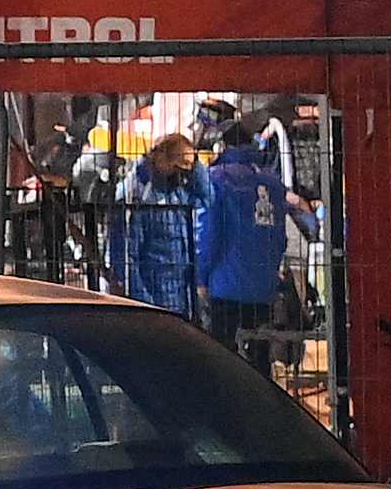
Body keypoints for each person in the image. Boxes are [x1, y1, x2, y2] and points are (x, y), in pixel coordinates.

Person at [193, 101, 299, 358]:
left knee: (222, 360)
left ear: (220, 144)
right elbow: (279, 238)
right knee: (259, 363)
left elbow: (209, 235)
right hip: (263, 287)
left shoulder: (216, 179)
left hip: (224, 287)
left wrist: (201, 278)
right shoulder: (271, 182)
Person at [109, 131, 203, 319]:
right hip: (153, 305)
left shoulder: (175, 192)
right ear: (163, 161)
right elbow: (125, 260)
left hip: (179, 303)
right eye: (181, 166)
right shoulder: (137, 195)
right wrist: (146, 308)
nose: (185, 174)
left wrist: (197, 168)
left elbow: (208, 198)